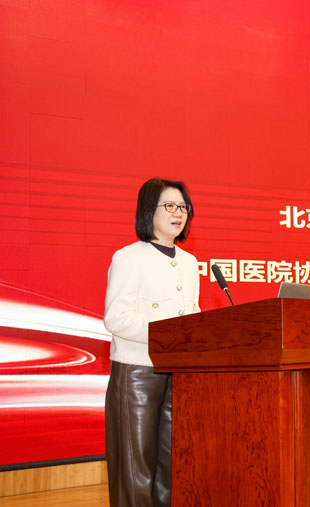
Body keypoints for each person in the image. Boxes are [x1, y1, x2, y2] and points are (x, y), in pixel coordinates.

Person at [104, 178, 200, 507]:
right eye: (170, 206)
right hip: (137, 373)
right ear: (149, 210)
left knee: (172, 463)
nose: (179, 213)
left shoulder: (189, 263)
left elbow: (192, 313)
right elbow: (116, 318)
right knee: (136, 468)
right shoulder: (129, 258)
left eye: (183, 207)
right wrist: (170, 333)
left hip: (179, 374)